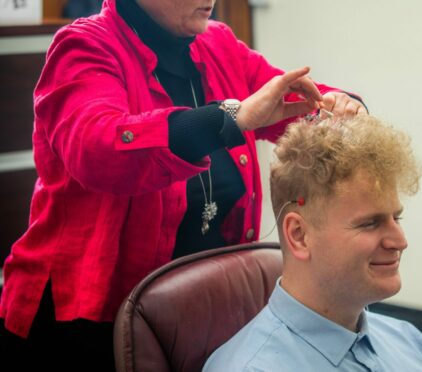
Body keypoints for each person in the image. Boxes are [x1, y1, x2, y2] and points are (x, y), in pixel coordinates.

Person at [0, 0, 366, 370]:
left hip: (199, 312)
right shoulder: (84, 46)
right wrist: (229, 119)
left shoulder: (218, 44)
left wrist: (339, 104)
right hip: (87, 317)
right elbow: (97, 150)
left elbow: (286, 100)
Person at [203, 115, 422, 371]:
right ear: (299, 235)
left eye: (397, 217)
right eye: (370, 223)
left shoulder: (411, 342)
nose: (400, 241)